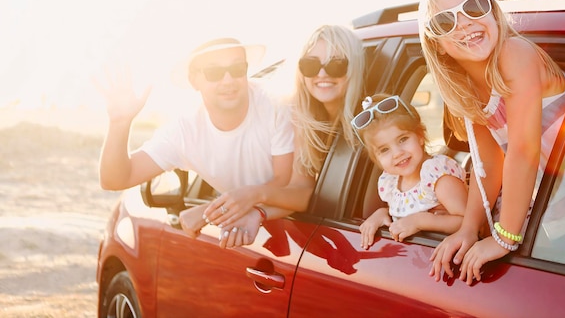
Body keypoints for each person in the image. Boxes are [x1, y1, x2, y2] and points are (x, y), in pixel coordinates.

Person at [419, 0, 565, 285]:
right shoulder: (466, 92)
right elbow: (489, 164)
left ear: (492, 10)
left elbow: (521, 150)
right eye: (445, 22)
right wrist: (468, 226)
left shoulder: (514, 53)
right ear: (437, 46)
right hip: (558, 199)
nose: (463, 23)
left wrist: (505, 237)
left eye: (474, 7)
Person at [95, 37, 295, 247]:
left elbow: (287, 183)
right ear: (194, 80)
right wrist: (120, 123)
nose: (228, 80)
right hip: (270, 235)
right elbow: (115, 180)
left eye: (237, 69)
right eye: (214, 73)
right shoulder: (184, 130)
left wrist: (210, 211)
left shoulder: (276, 105)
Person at [197, 24, 366, 247]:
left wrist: (253, 197)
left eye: (336, 65)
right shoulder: (301, 120)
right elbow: (301, 192)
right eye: (310, 65)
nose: (322, 74)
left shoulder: (370, 121)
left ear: (354, 67)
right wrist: (257, 211)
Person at [351, 93, 467, 250]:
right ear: (376, 159)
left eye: (403, 139)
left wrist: (420, 221)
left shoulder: (437, 175)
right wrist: (383, 213)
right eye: (384, 149)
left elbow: (469, 223)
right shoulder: (392, 183)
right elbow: (406, 216)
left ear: (420, 136)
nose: (397, 153)